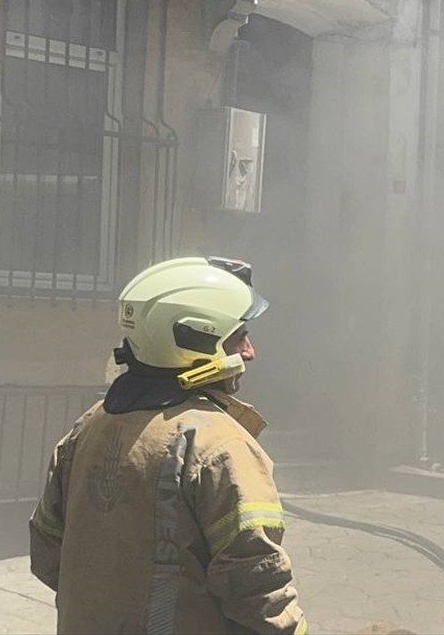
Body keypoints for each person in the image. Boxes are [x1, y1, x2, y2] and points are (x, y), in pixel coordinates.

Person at [29, 256, 308, 634]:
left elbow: (48, 554)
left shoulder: (88, 427)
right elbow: (259, 593)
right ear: (197, 339)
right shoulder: (219, 447)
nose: (249, 351)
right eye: (239, 336)